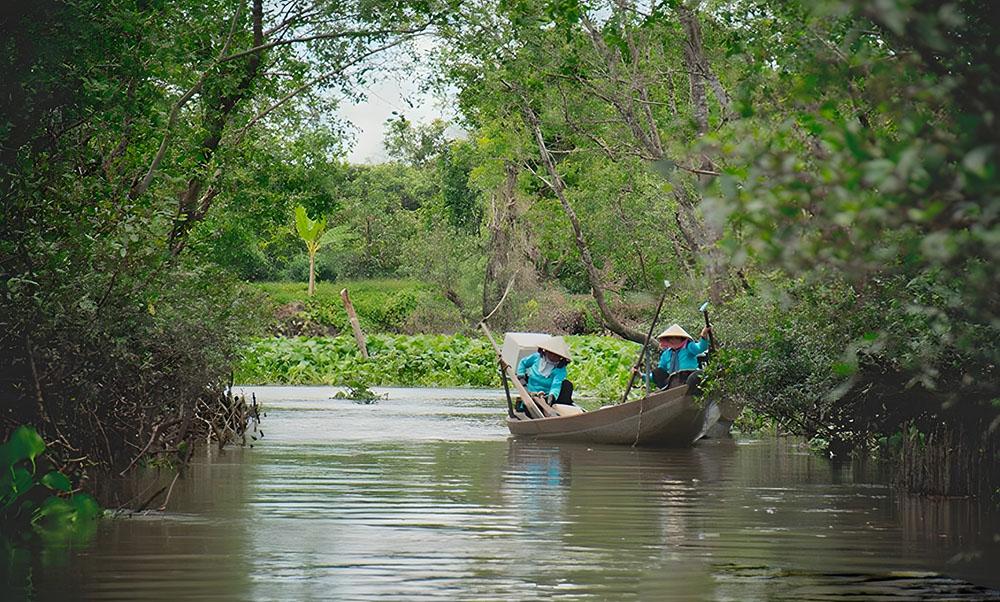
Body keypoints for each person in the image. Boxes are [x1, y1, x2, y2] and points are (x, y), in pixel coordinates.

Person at [633, 323, 711, 390]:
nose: (672, 340)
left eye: (675, 338)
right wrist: (641, 376)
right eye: (669, 338)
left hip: (687, 377)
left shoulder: (688, 347)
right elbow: (657, 375)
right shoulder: (666, 354)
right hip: (672, 382)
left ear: (681, 339)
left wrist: (703, 335)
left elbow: (701, 347)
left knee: (693, 376)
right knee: (658, 372)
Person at [515, 336, 574, 411]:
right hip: (530, 392)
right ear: (546, 351)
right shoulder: (536, 358)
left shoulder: (560, 369)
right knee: (527, 407)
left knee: (567, 385)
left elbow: (556, 385)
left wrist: (552, 396)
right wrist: (521, 376)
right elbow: (523, 363)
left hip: (546, 395)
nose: (553, 356)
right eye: (551, 353)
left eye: (556, 355)